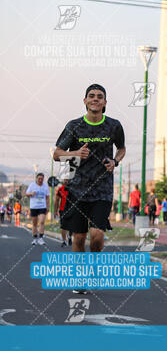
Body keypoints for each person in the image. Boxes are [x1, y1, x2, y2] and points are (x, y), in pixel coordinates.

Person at [53, 83, 126, 294]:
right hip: (77, 189)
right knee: (78, 238)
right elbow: (57, 153)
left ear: (105, 103)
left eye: (99, 96)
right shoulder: (74, 126)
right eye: (91, 96)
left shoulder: (114, 126)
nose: (95, 99)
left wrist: (115, 162)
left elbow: (121, 149)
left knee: (97, 236)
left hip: (103, 189)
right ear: (85, 101)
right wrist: (74, 153)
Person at [25, 172, 50, 245]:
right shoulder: (32, 185)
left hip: (42, 206)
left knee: (42, 221)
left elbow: (47, 197)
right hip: (34, 206)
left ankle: (41, 238)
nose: (40, 180)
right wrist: (31, 193)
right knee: (34, 223)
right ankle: (35, 239)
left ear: (43, 179)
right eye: (39, 178)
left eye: (42, 179)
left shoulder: (45, 186)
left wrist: (48, 207)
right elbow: (26, 194)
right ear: (36, 179)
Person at [54, 179, 73, 247]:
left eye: (67, 180)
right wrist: (55, 212)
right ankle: (64, 241)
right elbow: (56, 201)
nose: (66, 181)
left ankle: (70, 236)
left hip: (72, 210)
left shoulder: (73, 189)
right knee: (63, 226)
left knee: (72, 227)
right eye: (65, 180)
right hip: (63, 210)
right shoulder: (60, 189)